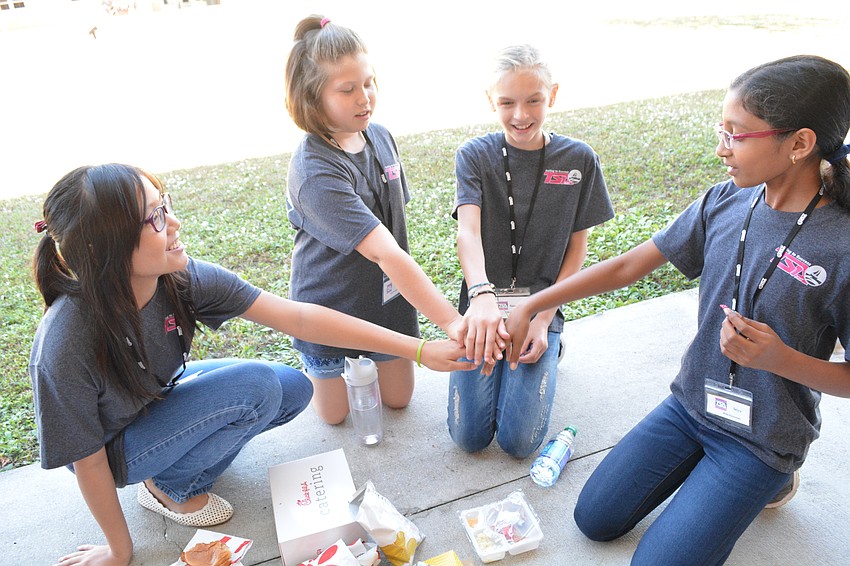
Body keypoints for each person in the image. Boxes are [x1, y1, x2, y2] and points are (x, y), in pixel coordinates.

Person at [29, 163, 472, 566]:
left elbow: (298, 317)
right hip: (113, 449)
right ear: (101, 248)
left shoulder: (178, 277)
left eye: (166, 204)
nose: (175, 222)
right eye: (155, 217)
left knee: (291, 388)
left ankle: (168, 470)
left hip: (151, 398)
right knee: (255, 386)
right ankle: (171, 486)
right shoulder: (66, 341)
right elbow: (88, 463)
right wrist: (118, 552)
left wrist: (418, 349)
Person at [504, 54, 850, 564]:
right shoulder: (725, 200)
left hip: (762, 437)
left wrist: (780, 359)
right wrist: (536, 304)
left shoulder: (841, 245)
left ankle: (771, 480)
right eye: (721, 130)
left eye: (736, 135)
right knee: (594, 518)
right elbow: (628, 267)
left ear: (799, 143)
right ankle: (714, 482)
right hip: (691, 406)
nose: (721, 148)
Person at [283, 15, 495, 425]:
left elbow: (393, 226)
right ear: (311, 96)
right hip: (330, 308)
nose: (364, 98)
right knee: (334, 417)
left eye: (369, 82)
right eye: (347, 89)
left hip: (387, 302)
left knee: (399, 399)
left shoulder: (379, 135)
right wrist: (452, 322)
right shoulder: (313, 171)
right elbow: (387, 253)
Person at [447, 44, 614, 458]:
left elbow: (577, 247)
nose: (520, 114)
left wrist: (543, 318)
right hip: (484, 306)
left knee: (519, 443)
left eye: (533, 100)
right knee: (469, 437)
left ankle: (552, 343)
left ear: (552, 95)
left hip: (542, 305)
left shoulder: (579, 159)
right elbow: (467, 232)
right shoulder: (474, 155)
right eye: (507, 102)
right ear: (491, 100)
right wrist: (481, 296)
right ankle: (510, 352)